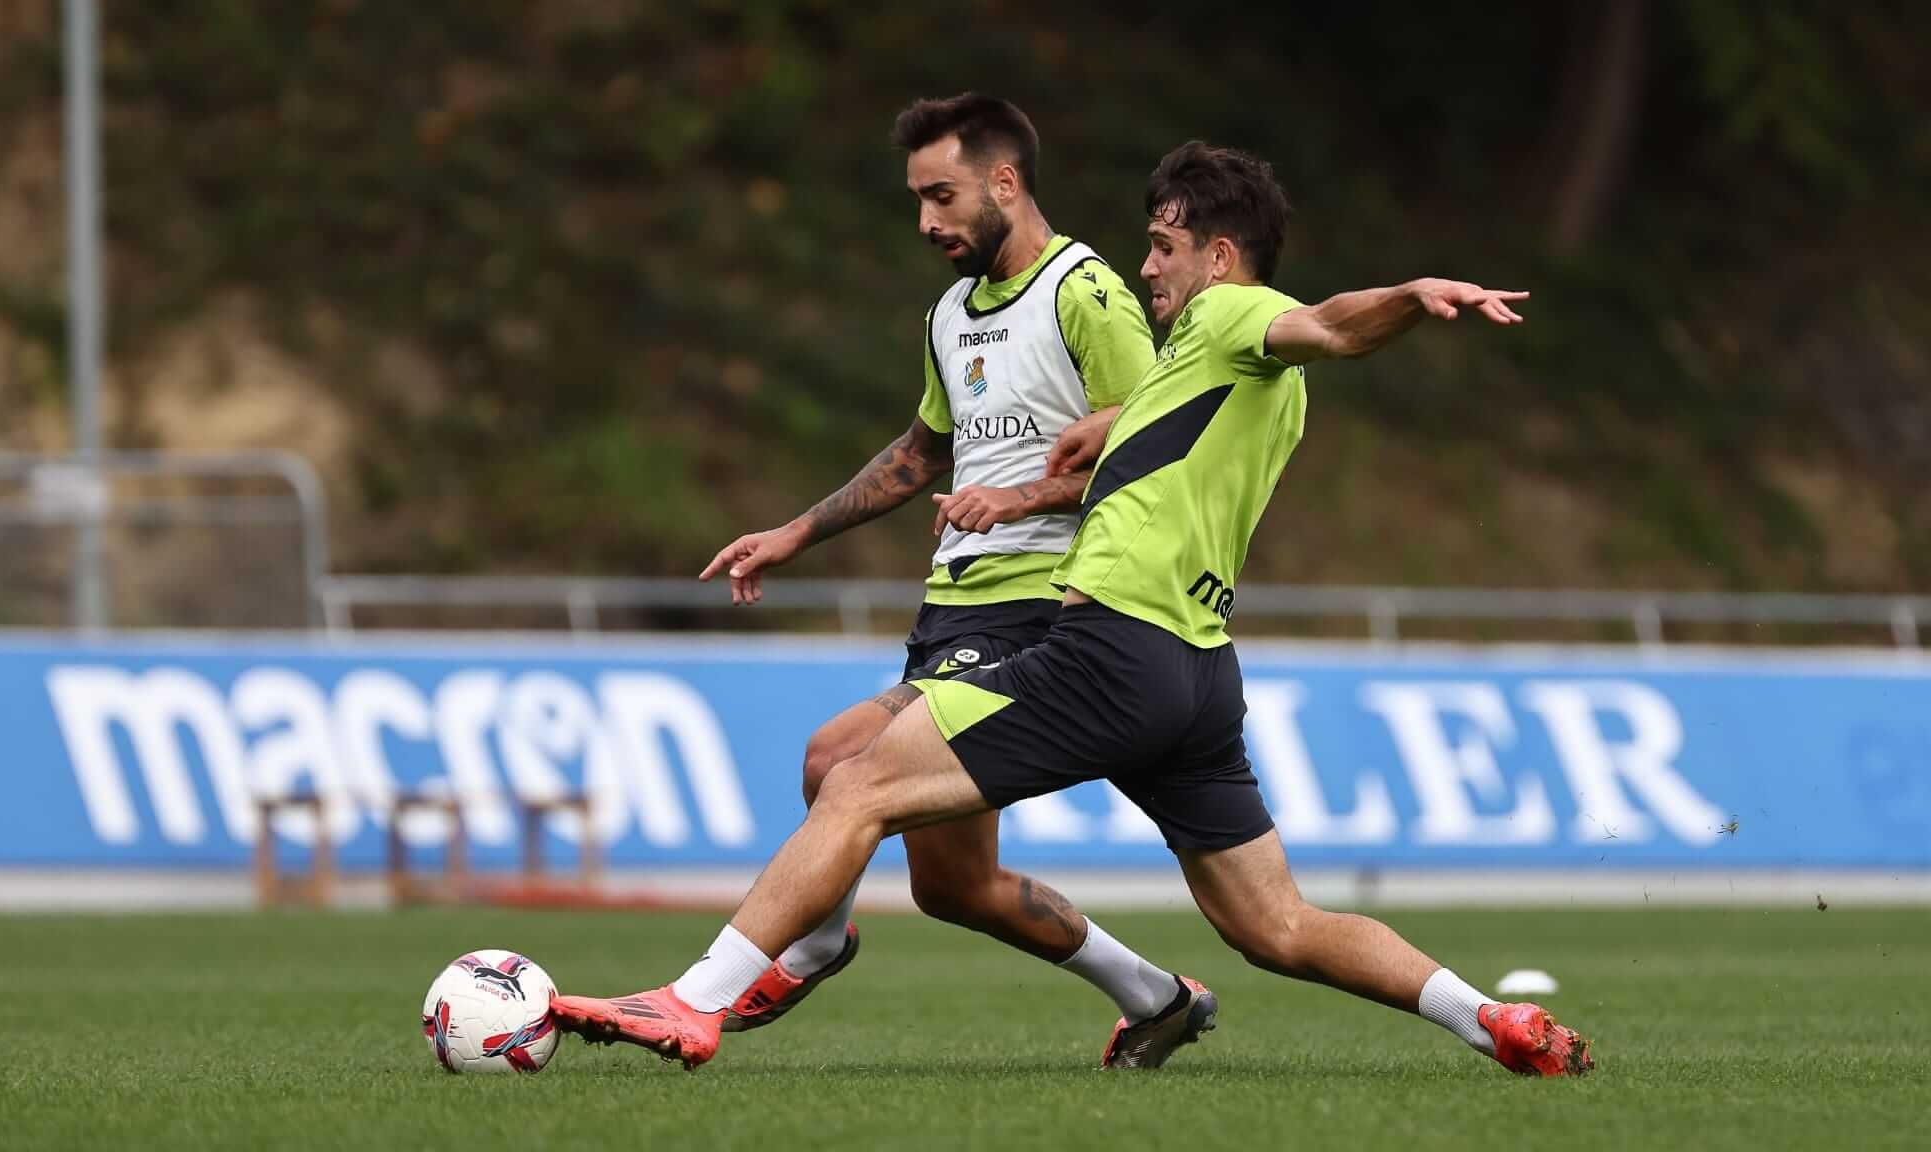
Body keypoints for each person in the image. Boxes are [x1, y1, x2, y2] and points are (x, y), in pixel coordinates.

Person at [564, 141, 1592, 1078]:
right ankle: (1485, 1018)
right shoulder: (1213, 369)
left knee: (856, 783)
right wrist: (1037, 478)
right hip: (1197, 674)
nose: (1147, 266)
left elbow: (1321, 323)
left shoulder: (1230, 315)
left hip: (1110, 650)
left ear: (1220, 256)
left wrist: (1408, 296)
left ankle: (693, 1003)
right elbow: (1186, 418)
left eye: (1162, 247)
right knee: (1274, 924)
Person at [696, 94, 1212, 1066]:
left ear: (1004, 182)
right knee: (953, 887)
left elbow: (1154, 449)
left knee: (835, 760)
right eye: (917, 200)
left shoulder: (1085, 294)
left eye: (941, 196)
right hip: (948, 608)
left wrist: (1024, 499)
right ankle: (1157, 997)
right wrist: (794, 534)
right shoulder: (949, 314)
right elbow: (925, 450)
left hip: (1038, 608)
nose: (926, 221)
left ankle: (801, 947)